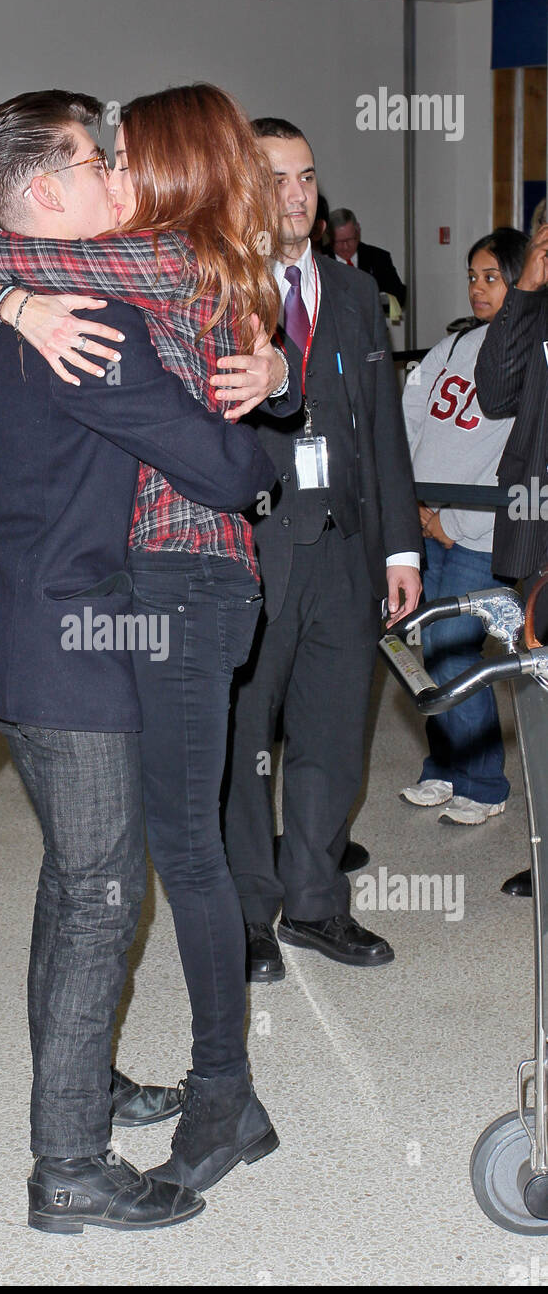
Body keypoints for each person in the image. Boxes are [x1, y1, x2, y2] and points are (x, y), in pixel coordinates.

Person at [0, 83, 295, 1212]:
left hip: (18, 618)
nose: (115, 173)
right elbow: (211, 463)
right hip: (74, 638)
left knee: (80, 885)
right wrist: (263, 464)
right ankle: (69, 1167)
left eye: (124, 155)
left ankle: (81, 1085)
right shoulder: (84, 316)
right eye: (99, 160)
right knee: (99, 893)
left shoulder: (25, 298)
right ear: (51, 189)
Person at [221, 119, 422, 985]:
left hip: (344, 556)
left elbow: (385, 426)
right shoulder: (214, 293)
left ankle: (313, 905)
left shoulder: (351, 289)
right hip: (251, 553)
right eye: (277, 177)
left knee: (335, 742)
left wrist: (401, 550)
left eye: (307, 176)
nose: (297, 193)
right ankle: (245, 917)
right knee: (243, 746)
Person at [401, 228, 527, 825]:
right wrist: (416, 511)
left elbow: (513, 457)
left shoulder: (529, 362)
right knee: (427, 654)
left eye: (492, 278)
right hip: (426, 525)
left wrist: (451, 522)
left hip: (476, 533)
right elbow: (410, 424)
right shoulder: (450, 350)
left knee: (457, 658)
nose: (478, 289)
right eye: (473, 278)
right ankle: (443, 771)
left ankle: (485, 783)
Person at [476, 221, 548, 898]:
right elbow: (494, 394)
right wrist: (525, 290)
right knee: (542, 699)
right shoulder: (534, 304)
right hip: (541, 531)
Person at [328, 206, 407, 312]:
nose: (345, 247)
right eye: (339, 242)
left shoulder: (378, 257)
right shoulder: (320, 258)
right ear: (328, 237)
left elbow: (399, 297)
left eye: (350, 239)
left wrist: (374, 299)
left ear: (358, 231)